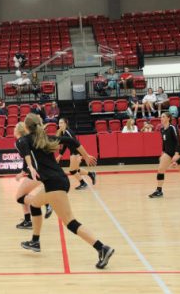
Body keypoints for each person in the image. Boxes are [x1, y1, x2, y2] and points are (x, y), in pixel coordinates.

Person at [18, 114, 114, 269]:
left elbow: (25, 150)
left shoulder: (25, 140)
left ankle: (102, 248)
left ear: (27, 127)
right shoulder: (46, 138)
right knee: (35, 204)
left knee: (70, 222)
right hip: (60, 180)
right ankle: (35, 241)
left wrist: (29, 166)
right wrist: (86, 155)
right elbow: (72, 141)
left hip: (53, 184)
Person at [14, 122, 52, 229]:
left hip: (36, 172)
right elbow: (27, 157)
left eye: (15, 127)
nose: (14, 128)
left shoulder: (20, 141)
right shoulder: (27, 140)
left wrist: (26, 170)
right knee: (23, 195)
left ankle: (45, 202)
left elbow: (27, 156)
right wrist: (22, 171)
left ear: (19, 130)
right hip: (39, 170)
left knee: (19, 197)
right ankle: (27, 220)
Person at [149, 112, 180, 198]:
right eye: (161, 117)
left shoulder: (172, 128)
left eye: (163, 117)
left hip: (177, 152)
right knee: (160, 169)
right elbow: (164, 142)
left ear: (168, 118)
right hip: (167, 153)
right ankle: (159, 191)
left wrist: (177, 153)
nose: (161, 118)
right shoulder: (162, 129)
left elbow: (178, 141)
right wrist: (163, 152)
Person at [56, 118, 96, 190]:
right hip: (73, 153)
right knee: (76, 169)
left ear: (65, 123)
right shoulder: (63, 133)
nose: (60, 124)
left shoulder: (68, 132)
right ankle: (91, 174)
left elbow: (76, 143)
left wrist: (83, 155)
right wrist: (60, 155)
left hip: (75, 153)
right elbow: (65, 144)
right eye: (59, 123)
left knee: (73, 170)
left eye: (61, 123)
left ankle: (83, 183)